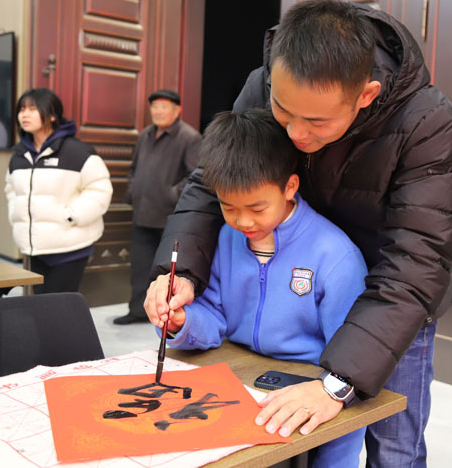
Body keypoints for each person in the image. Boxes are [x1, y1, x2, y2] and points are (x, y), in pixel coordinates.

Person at [145, 0, 452, 467]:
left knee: (394, 445)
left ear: (366, 95)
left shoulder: (425, 122)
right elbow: (213, 182)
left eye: (316, 121)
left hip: (392, 298)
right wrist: (182, 272)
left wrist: (337, 384)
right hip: (297, 280)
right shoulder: (264, 84)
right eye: (282, 110)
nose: (293, 133)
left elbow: (417, 262)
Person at [148, 108, 368, 467]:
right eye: (228, 207)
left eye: (256, 207)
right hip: (238, 388)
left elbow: (351, 363)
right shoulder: (227, 237)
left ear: (290, 187)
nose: (243, 221)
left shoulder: (334, 254)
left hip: (309, 393)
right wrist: (181, 320)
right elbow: (215, 315)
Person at [5, 88, 112, 294]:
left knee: (58, 310)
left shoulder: (77, 152)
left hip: (69, 247)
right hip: (33, 247)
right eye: (22, 109)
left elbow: (100, 190)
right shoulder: (19, 154)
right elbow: (11, 189)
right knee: (41, 307)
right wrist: (15, 214)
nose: (24, 115)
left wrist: (70, 216)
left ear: (52, 115)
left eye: (32, 109)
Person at [113, 89, 201, 325]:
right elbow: (133, 169)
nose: (159, 111)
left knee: (167, 270)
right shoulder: (145, 135)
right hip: (142, 213)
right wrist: (133, 191)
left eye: (164, 107)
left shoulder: (189, 137)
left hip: (169, 217)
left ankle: (167, 314)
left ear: (177, 110)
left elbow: (195, 176)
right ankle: (136, 310)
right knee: (139, 267)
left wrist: (171, 194)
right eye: (155, 107)